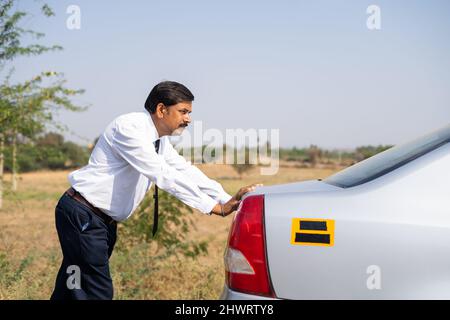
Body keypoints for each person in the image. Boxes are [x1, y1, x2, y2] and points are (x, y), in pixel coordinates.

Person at [50, 81, 260, 300]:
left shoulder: (159, 141)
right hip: (84, 215)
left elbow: (183, 169)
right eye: (183, 112)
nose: (188, 119)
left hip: (98, 220)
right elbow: (163, 175)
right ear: (161, 110)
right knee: (97, 291)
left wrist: (227, 198)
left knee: (73, 283)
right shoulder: (129, 129)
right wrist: (214, 207)